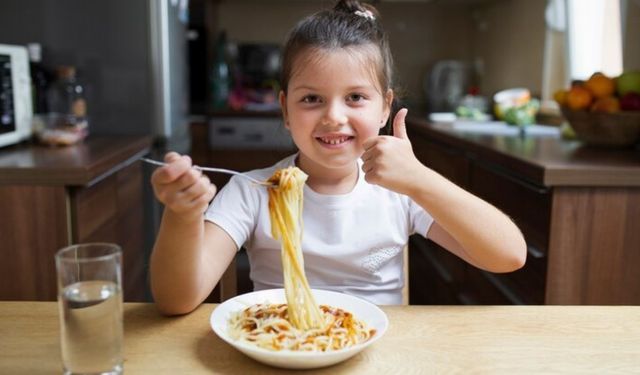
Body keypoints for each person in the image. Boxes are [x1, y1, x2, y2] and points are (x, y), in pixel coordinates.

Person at [149, 0, 526, 315]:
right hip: (281, 351)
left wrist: (420, 179)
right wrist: (182, 216)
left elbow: (508, 256)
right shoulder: (251, 191)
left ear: (385, 108)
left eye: (356, 97)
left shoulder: (402, 192)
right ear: (285, 109)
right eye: (311, 99)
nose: (333, 116)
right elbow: (174, 300)